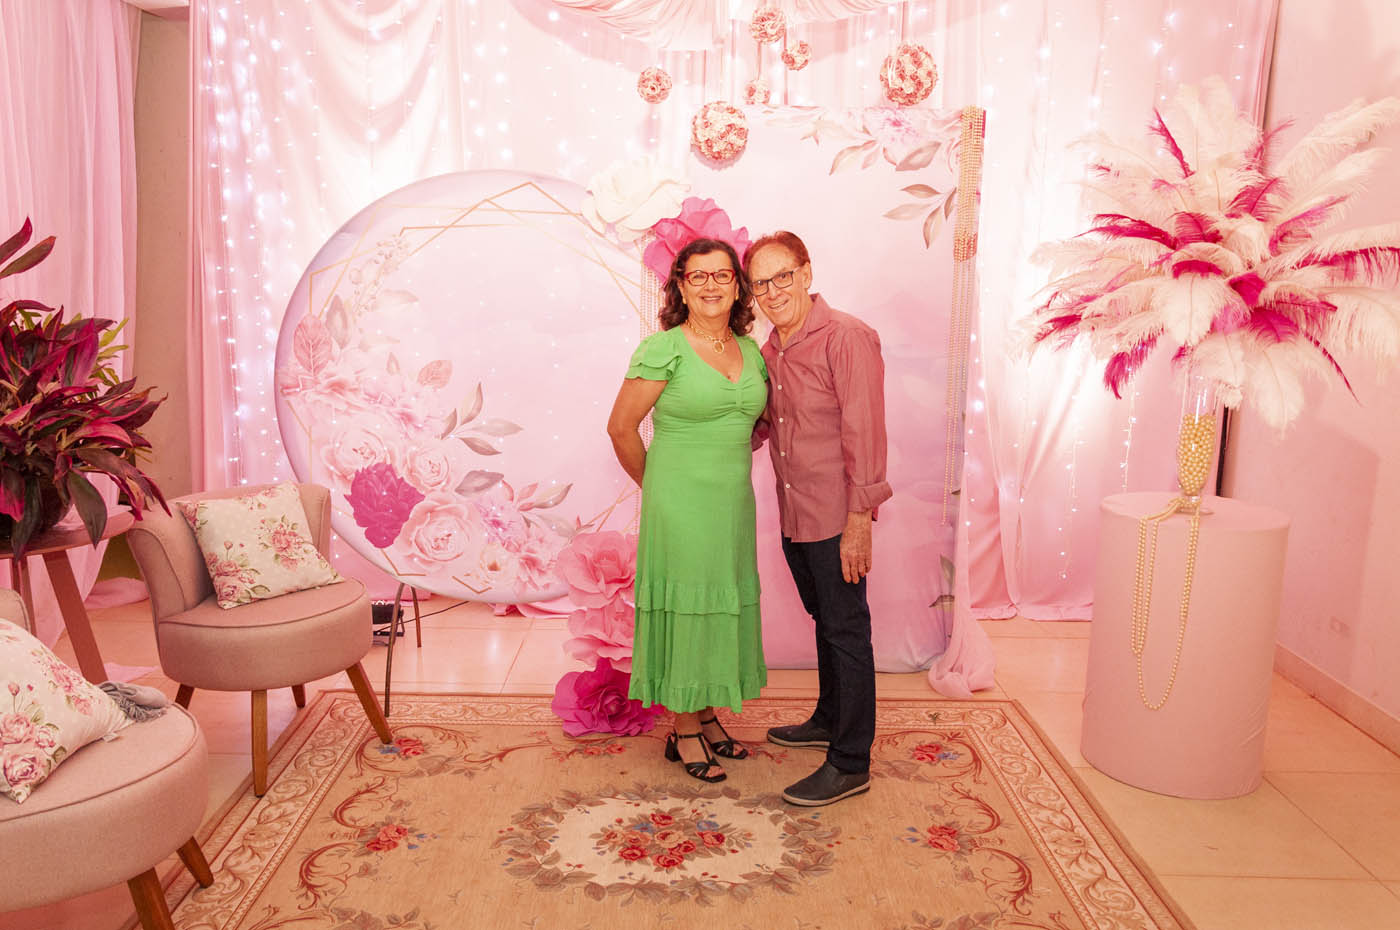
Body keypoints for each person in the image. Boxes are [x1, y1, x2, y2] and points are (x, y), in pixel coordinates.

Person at [606, 236, 769, 783]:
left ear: (737, 286)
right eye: (697, 276)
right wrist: (658, 488)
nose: (710, 286)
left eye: (722, 275)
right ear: (680, 286)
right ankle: (683, 727)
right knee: (686, 607)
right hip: (678, 504)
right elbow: (621, 428)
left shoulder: (750, 350)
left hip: (731, 504)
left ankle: (705, 713)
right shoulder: (664, 348)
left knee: (716, 603)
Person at [746, 230, 891, 807]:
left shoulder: (847, 337)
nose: (773, 291)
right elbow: (764, 425)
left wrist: (860, 520)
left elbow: (865, 432)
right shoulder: (769, 351)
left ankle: (851, 761)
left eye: (783, 276)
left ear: (806, 273)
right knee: (825, 620)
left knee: (846, 628)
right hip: (795, 510)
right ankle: (829, 719)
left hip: (836, 515)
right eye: (761, 283)